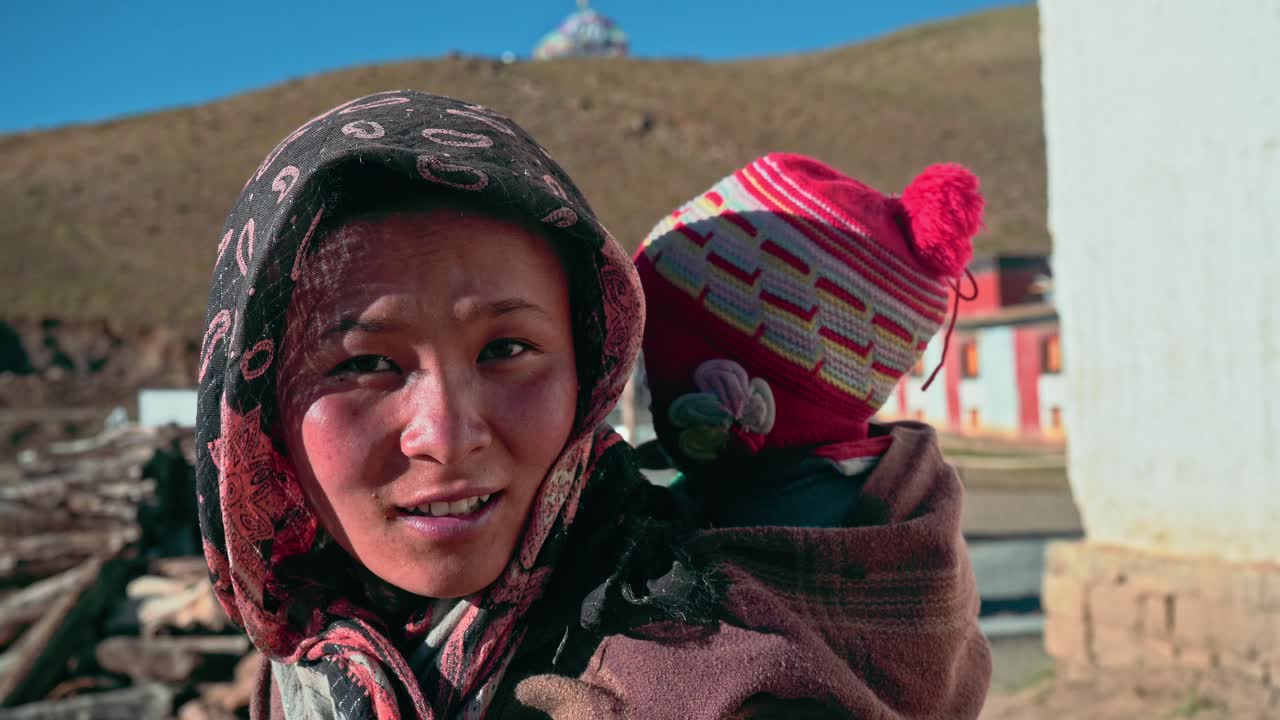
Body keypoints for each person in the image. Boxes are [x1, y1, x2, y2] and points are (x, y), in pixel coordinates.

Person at [196, 90, 990, 719]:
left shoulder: (709, 668)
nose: (448, 435)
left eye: (506, 349)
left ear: (592, 361)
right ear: (254, 406)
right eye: (366, 363)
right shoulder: (302, 648)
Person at [633, 152, 984, 530]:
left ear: (749, 403)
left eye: (657, 356)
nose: (646, 380)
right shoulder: (838, 497)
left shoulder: (766, 555)